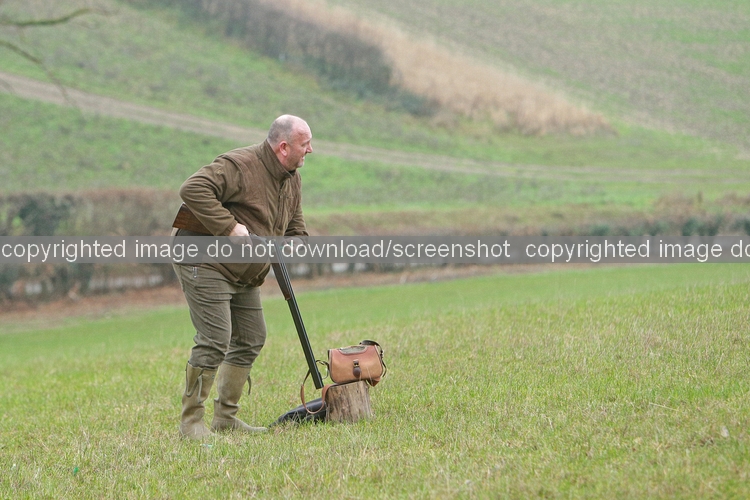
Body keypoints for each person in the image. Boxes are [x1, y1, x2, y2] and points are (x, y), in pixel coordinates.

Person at [172, 115, 313, 439]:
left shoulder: (291, 180)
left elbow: (295, 229)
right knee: (215, 339)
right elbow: (192, 189)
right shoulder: (239, 165)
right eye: (305, 144)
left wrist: (293, 245)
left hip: (245, 271)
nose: (310, 150)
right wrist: (229, 227)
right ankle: (191, 424)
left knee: (251, 337)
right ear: (283, 147)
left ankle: (226, 418)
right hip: (205, 260)